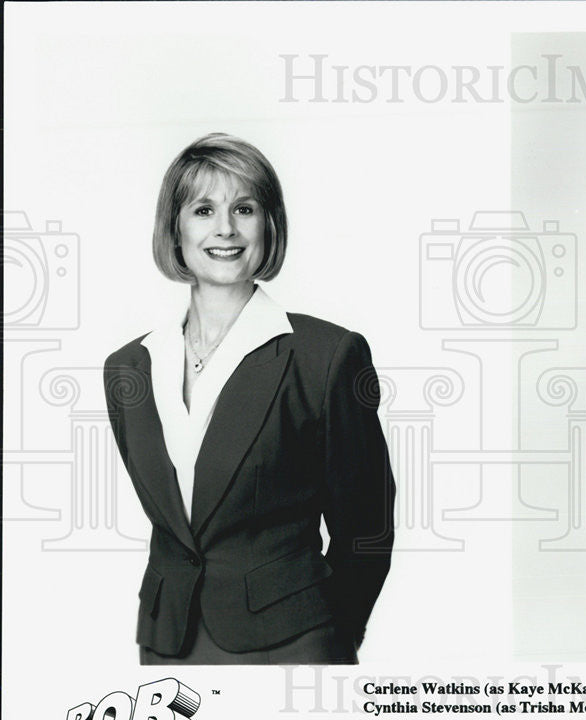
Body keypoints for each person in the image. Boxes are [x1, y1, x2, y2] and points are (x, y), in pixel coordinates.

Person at [104, 133, 394, 664]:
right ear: (175, 228)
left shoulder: (325, 356)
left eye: (244, 208)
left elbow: (367, 530)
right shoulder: (129, 368)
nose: (225, 229)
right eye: (203, 209)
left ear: (269, 224)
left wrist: (332, 642)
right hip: (168, 646)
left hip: (292, 646)